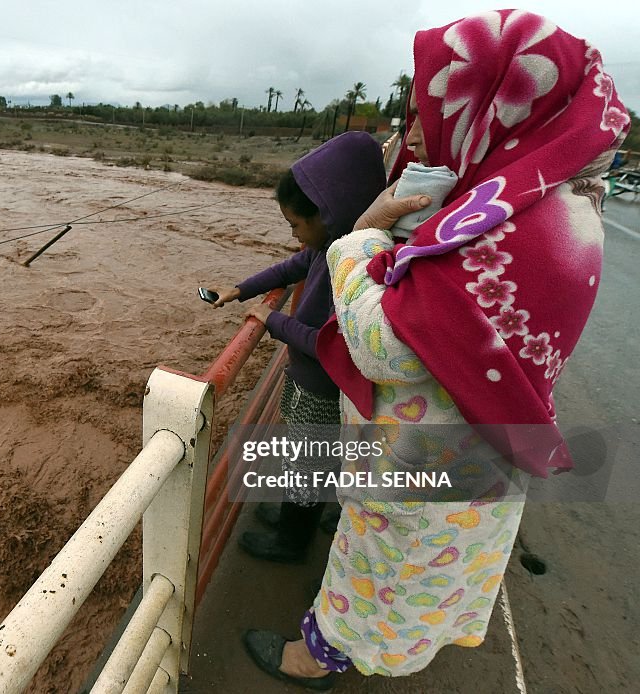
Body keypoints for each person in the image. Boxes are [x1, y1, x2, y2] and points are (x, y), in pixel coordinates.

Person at [242, 9, 629, 687]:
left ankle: (312, 659)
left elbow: (383, 346)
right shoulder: (552, 204)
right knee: (423, 572)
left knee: (381, 567)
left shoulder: (500, 229)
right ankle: (353, 644)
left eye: (429, 112)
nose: (414, 134)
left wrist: (361, 236)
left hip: (420, 458)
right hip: (479, 448)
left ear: (491, 111)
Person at [206, 131, 385, 563]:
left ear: (330, 212)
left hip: (322, 387)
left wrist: (273, 320)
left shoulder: (357, 265)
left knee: (308, 463)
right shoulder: (331, 245)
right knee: (308, 460)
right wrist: (240, 289)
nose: (294, 236)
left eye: (297, 225)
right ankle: (294, 515)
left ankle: (290, 543)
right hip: (313, 384)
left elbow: (329, 343)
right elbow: (293, 264)